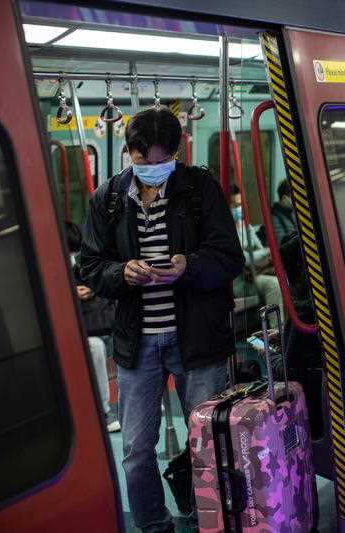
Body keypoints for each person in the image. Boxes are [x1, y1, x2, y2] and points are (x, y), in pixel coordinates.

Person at [81, 107, 244, 533]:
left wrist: (186, 266)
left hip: (197, 339)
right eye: (143, 161)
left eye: (160, 161)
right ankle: (155, 526)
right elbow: (91, 265)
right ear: (129, 155)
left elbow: (229, 257)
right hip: (137, 341)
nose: (152, 169)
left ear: (177, 153)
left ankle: (208, 519)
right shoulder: (109, 199)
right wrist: (123, 273)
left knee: (207, 442)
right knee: (135, 449)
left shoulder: (199, 190)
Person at [66, 221, 120, 433]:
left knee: (125, 336)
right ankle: (104, 412)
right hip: (70, 333)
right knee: (95, 346)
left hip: (90, 324)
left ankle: (137, 399)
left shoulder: (78, 268)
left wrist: (90, 290)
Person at [229, 186, 284, 320]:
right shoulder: (227, 230)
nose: (239, 209)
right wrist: (264, 252)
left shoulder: (245, 226)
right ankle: (276, 329)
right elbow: (244, 259)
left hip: (256, 272)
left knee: (285, 279)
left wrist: (261, 252)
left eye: (240, 204)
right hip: (241, 281)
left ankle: (286, 326)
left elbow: (259, 247)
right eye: (235, 205)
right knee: (274, 284)